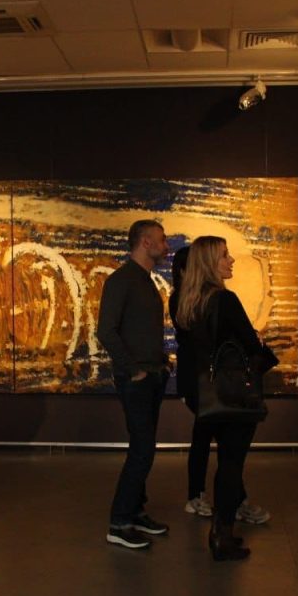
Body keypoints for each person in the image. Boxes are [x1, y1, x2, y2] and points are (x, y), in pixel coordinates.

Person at [175, 236, 265, 561]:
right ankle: (222, 534)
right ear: (210, 263)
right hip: (233, 394)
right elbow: (250, 345)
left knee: (226, 459)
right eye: (225, 255)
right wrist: (257, 343)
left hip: (207, 393)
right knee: (231, 462)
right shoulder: (224, 300)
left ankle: (221, 531)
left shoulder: (189, 302)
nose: (231, 260)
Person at [97, 219, 171, 549]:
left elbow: (139, 330)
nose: (166, 245)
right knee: (142, 449)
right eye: (162, 240)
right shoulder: (121, 280)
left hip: (151, 376)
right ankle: (119, 521)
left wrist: (159, 362)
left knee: (144, 446)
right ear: (145, 242)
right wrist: (133, 370)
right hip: (137, 379)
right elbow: (106, 331)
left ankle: (136, 511)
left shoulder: (143, 280)